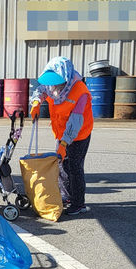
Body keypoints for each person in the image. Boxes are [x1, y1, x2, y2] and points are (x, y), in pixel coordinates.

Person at [29, 56, 93, 216]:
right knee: (62, 165)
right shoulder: (52, 86)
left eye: (56, 81)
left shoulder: (80, 92)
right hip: (60, 132)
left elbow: (75, 122)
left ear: (66, 77)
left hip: (79, 135)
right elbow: (40, 90)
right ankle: (67, 196)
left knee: (74, 167)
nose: (53, 85)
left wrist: (64, 144)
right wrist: (36, 102)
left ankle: (79, 203)